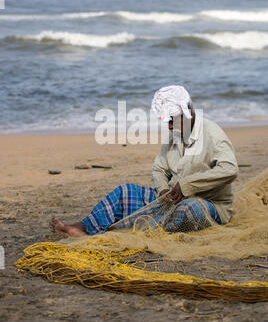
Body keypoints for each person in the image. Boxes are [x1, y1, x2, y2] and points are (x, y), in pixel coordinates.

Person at [50, 85, 238, 237]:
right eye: (168, 122)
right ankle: (83, 227)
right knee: (125, 192)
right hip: (172, 200)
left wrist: (187, 185)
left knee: (188, 210)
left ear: (188, 111)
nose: (170, 126)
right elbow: (159, 169)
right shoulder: (176, 133)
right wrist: (163, 189)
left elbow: (229, 170)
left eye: (173, 120)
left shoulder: (212, 134)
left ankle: (146, 230)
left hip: (208, 204)